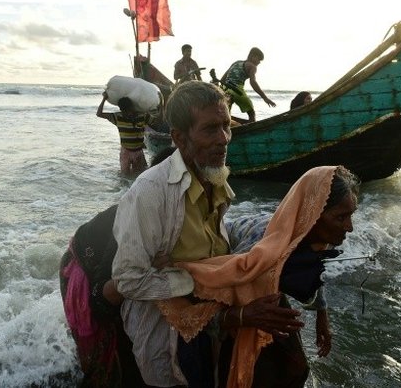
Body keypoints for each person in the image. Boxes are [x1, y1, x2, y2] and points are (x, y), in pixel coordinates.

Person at [110, 80, 303, 387]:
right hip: (166, 330)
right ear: (179, 138)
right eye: (210, 129)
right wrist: (197, 279)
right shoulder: (151, 192)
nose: (224, 139)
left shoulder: (214, 178)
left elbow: (216, 243)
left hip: (211, 321)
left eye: (226, 126)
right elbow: (128, 279)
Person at [161, 165, 359, 387]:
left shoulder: (316, 237)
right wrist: (243, 315)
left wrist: (322, 317)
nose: (349, 227)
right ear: (313, 215)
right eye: (341, 217)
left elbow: (314, 269)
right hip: (229, 267)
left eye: (351, 215)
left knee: (296, 366)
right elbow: (218, 289)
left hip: (266, 283)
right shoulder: (259, 253)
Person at [58, 149, 177, 388]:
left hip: (109, 263)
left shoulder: (188, 214)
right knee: (109, 353)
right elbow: (99, 301)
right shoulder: (135, 219)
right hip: (84, 265)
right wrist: (141, 268)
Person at [96, 92, 150, 177]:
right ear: (121, 110)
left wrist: (160, 107)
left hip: (138, 152)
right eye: (123, 110)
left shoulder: (142, 116)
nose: (126, 112)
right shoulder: (118, 117)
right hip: (125, 152)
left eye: (128, 110)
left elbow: (158, 120)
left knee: (139, 175)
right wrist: (104, 99)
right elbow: (99, 114)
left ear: (132, 108)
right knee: (124, 177)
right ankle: (124, 190)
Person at [218, 47, 276, 123]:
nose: (259, 62)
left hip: (225, 89)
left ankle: (229, 125)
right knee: (251, 113)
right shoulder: (252, 66)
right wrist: (265, 98)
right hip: (237, 90)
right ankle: (251, 128)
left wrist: (221, 90)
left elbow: (222, 79)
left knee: (226, 113)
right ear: (252, 56)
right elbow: (253, 82)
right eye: (259, 59)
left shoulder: (236, 62)